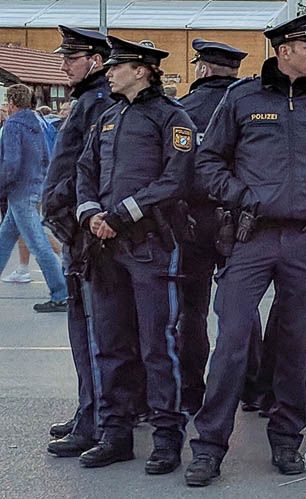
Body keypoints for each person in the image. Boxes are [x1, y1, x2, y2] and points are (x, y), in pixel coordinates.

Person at [186, 13, 306, 485]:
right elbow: (207, 162)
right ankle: (208, 447)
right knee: (230, 344)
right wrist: (243, 196)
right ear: (284, 49)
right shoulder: (241, 98)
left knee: (295, 346)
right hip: (251, 238)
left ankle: (287, 440)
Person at [75, 37, 196, 473]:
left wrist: (121, 215)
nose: (108, 72)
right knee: (111, 344)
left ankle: (167, 437)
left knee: (157, 347)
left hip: (151, 246)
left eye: (117, 66)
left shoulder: (172, 118)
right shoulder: (107, 118)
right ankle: (116, 434)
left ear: (142, 70)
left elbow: (175, 179)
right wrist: (90, 213)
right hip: (105, 247)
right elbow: (84, 171)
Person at [42, 27, 115, 457]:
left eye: (74, 57)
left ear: (96, 62)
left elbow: (91, 173)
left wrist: (76, 221)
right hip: (75, 231)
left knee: (93, 334)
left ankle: (95, 420)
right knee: (82, 329)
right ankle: (88, 408)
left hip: (86, 235)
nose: (65, 64)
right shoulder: (87, 101)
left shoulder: (97, 105)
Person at [177, 39, 248, 417]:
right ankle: (251, 386)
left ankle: (191, 389)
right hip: (240, 219)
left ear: (202, 69)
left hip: (193, 220)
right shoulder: (247, 108)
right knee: (242, 308)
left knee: (193, 309)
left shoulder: (183, 110)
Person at [0, 84, 64, 312]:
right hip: (35, 185)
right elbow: (47, 156)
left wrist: (2, 186)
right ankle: (61, 291)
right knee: (5, 238)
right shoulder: (38, 122)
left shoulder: (13, 125)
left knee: (38, 244)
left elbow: (11, 163)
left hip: (19, 190)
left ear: (11, 103)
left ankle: (61, 293)